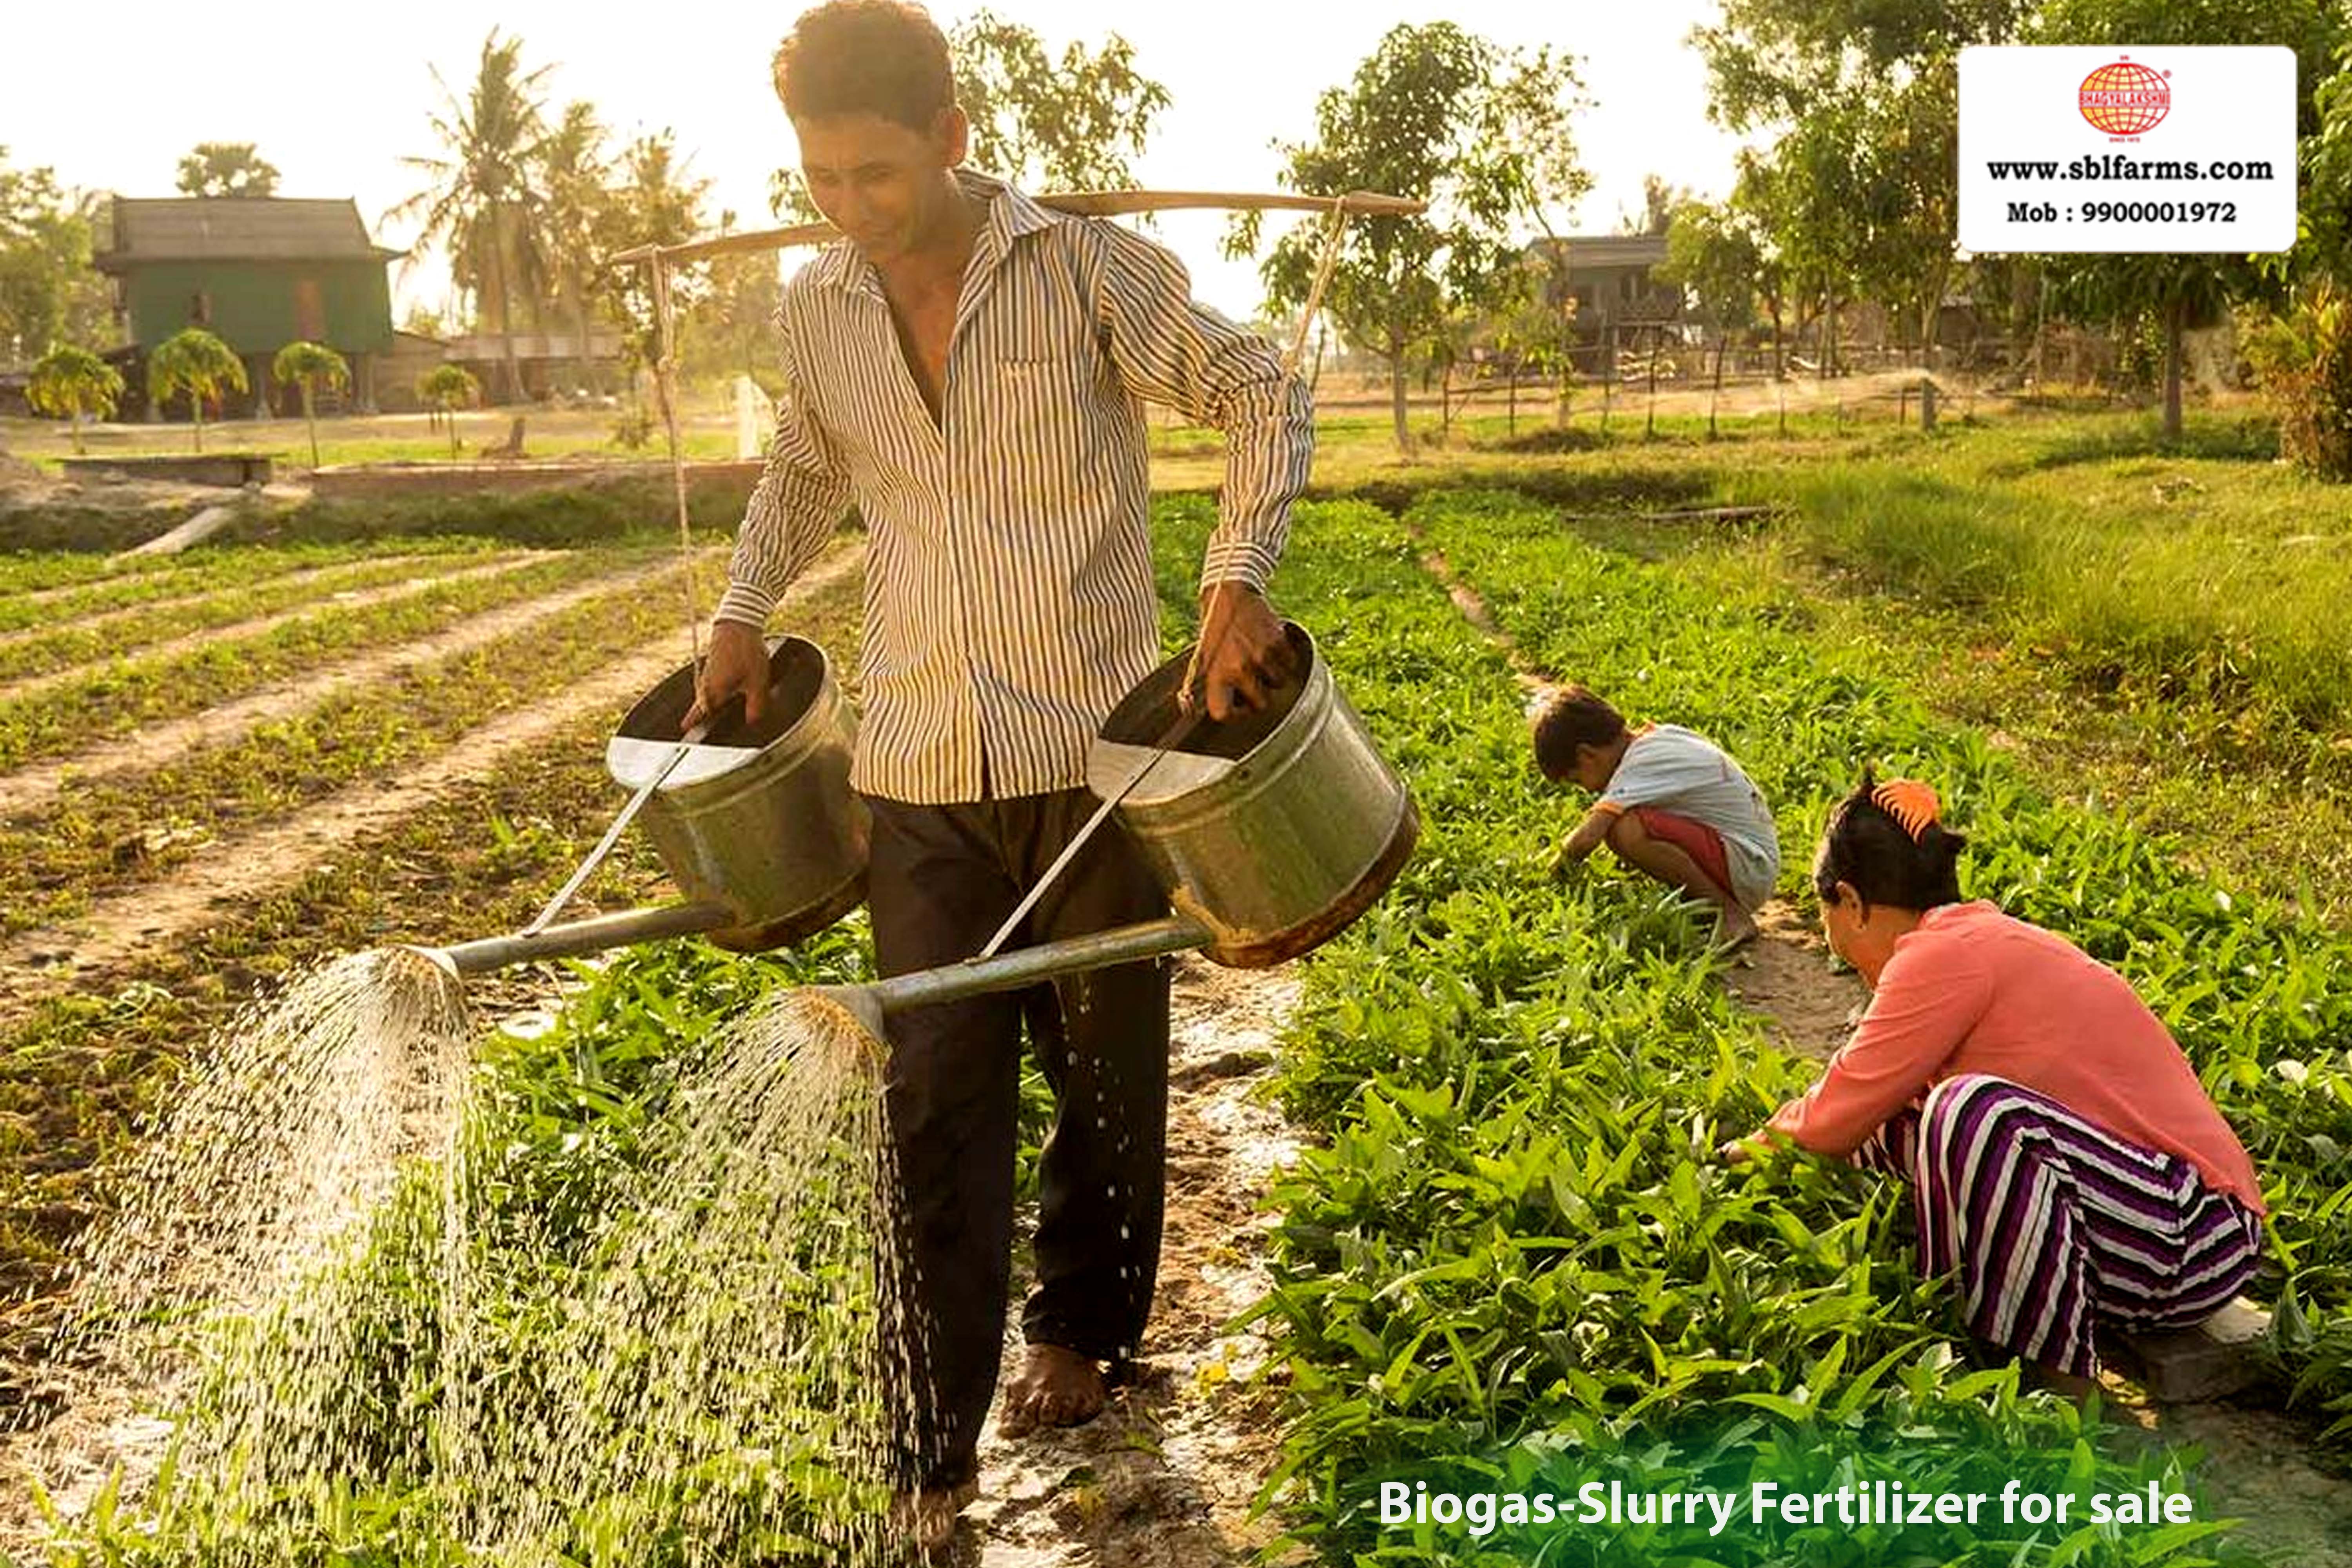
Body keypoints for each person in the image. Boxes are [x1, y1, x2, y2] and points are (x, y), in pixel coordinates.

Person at [683, 0, 1311, 1548]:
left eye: (877, 173)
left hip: (1090, 753)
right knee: (933, 1105)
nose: (849, 206)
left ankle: (1081, 1328)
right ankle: (928, 1445)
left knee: (1103, 1072)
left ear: (952, 139)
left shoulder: (1088, 271)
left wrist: (1237, 573)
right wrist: (742, 610)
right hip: (915, 767)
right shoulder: (821, 308)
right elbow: (806, 467)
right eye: (822, 177)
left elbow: (1261, 388)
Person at [1727, 775, 2267, 1396]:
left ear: (1850, 902)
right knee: (1901, 1115)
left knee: (1973, 1110)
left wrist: (1745, 1151)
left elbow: (1832, 1119)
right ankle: (1958, 1313)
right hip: (2135, 1215)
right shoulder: (1969, 941)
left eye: (1830, 922)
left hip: (2197, 1233)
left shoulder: (1943, 954)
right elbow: (1858, 1103)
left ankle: (2058, 1390)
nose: (1838, 948)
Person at [1531, 684, 1779, 950]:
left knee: (1627, 830)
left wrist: (1544, 878)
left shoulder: (1638, 765)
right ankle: (1702, 902)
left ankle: (1729, 914)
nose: (1588, 790)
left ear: (1587, 755)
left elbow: (1587, 838)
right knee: (1625, 823)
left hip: (1747, 868)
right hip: (1750, 861)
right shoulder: (1659, 738)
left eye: (1578, 780)